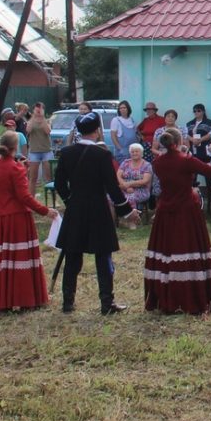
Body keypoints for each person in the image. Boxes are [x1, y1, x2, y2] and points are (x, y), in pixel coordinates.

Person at [144, 126, 211, 314]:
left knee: (167, 251)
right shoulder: (187, 160)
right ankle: (191, 296)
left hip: (166, 210)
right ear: (180, 141)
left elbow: (172, 167)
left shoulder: (157, 163)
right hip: (186, 210)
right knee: (188, 249)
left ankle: (165, 296)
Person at [54, 110, 136, 314]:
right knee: (103, 258)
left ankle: (67, 302)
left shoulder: (67, 153)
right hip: (98, 209)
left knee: (72, 257)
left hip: (76, 210)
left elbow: (59, 184)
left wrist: (69, 199)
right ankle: (106, 304)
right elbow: (112, 187)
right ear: (98, 131)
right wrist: (127, 211)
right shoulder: (102, 155)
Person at [0, 130, 57, 314]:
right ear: (16, 147)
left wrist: (22, 170)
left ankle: (0, 301)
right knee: (19, 259)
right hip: (17, 218)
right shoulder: (15, 168)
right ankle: (25, 299)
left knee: (1, 260)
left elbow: (6, 186)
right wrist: (45, 210)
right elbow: (24, 196)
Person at [118, 143, 153, 218]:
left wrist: (129, 184)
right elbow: (118, 175)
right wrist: (125, 186)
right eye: (132, 152)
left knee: (130, 197)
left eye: (137, 151)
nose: (134, 153)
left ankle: (132, 220)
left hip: (141, 190)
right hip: (125, 188)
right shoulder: (125, 163)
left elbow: (145, 181)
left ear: (141, 153)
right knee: (110, 197)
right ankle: (115, 220)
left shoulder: (147, 165)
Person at [26, 103, 54, 191]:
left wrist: (42, 118)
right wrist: (34, 117)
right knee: (33, 177)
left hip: (46, 151)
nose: (38, 111)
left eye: (40, 109)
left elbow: (48, 131)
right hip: (34, 151)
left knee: (49, 177)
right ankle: (31, 199)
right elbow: (28, 130)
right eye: (36, 109)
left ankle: (52, 198)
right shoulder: (30, 121)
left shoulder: (47, 120)